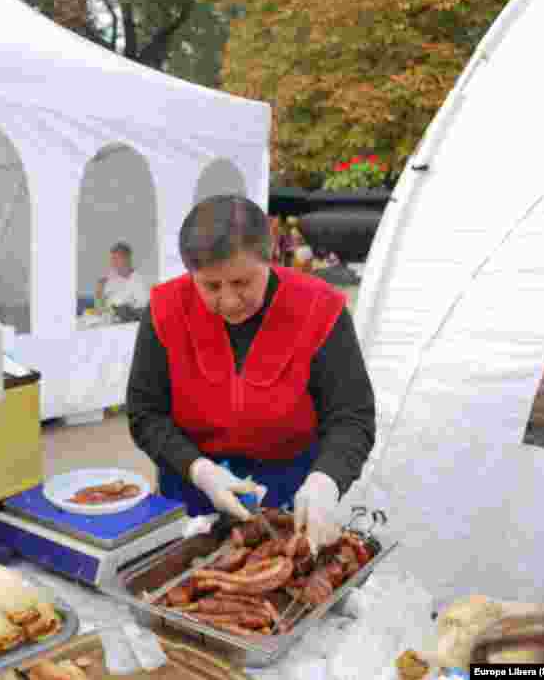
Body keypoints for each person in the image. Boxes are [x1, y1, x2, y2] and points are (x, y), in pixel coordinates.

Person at [126, 195, 375, 555]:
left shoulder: (321, 309)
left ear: (270, 256)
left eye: (242, 282)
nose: (228, 301)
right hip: (191, 485)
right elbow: (145, 413)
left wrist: (326, 482)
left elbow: (352, 417)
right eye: (210, 286)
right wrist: (200, 470)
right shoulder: (165, 309)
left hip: (291, 488)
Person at [96, 241, 148, 315]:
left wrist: (126, 311)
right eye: (112, 259)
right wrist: (99, 293)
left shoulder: (140, 282)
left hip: (128, 324)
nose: (113, 263)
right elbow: (100, 309)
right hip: (107, 322)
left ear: (127, 259)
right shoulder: (109, 280)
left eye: (116, 259)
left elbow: (144, 311)